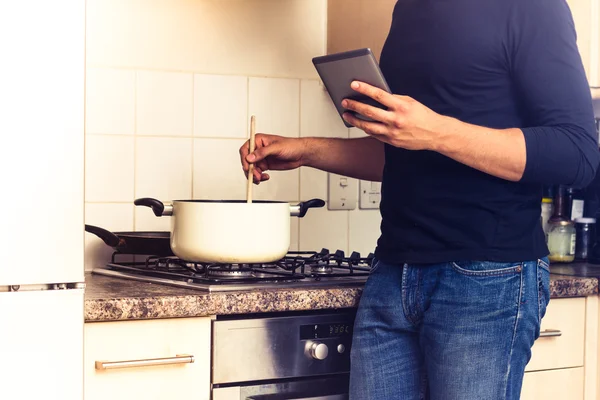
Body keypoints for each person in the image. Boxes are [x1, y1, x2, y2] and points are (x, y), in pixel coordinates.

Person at [239, 0, 600, 399]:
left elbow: (577, 154)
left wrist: (434, 131)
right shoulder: (409, 8)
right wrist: (306, 150)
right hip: (393, 273)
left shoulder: (531, 6)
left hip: (486, 279)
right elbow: (407, 149)